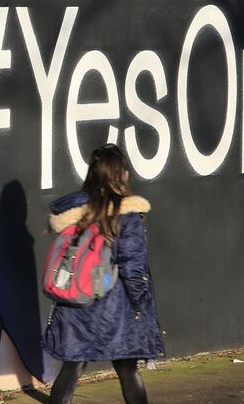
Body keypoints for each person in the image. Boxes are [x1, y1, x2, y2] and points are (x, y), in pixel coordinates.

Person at [43, 144, 165, 404]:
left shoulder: (73, 211)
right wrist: (141, 307)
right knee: (127, 371)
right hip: (114, 308)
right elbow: (132, 267)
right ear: (121, 174)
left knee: (71, 369)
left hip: (76, 302)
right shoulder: (126, 214)